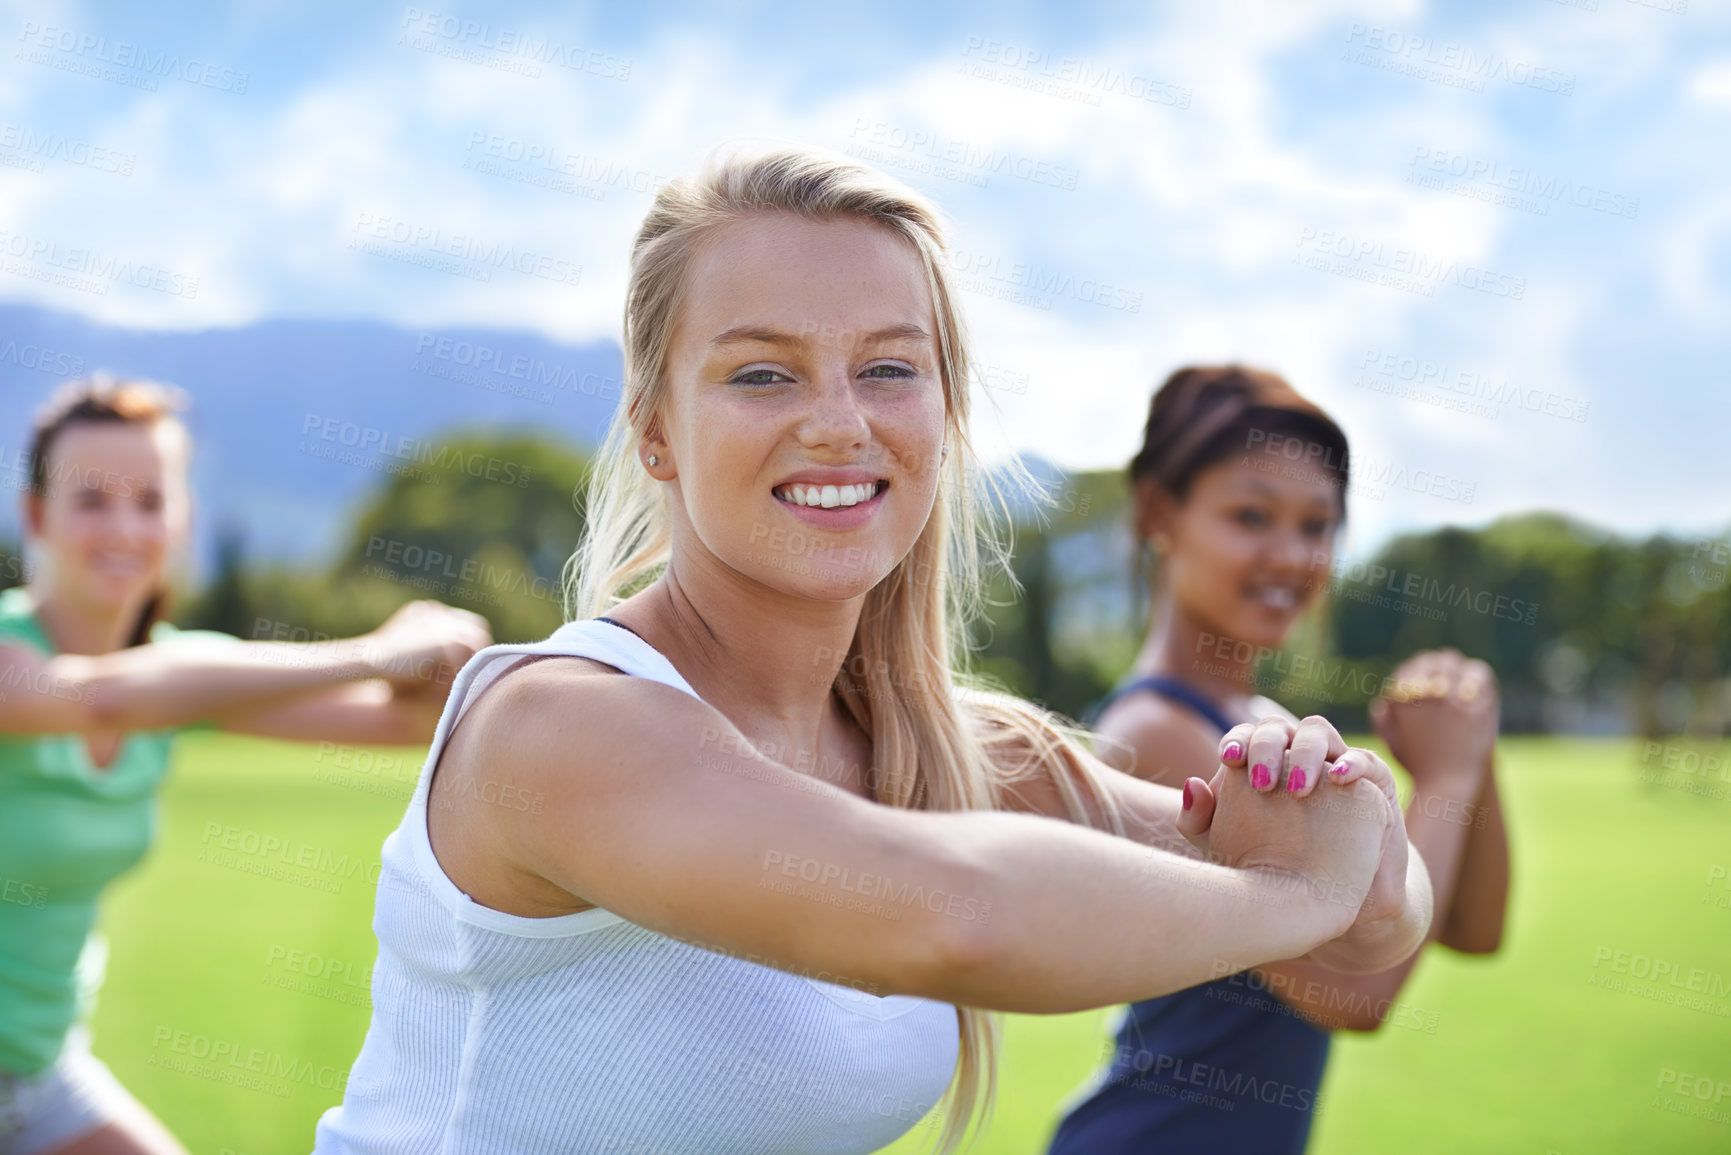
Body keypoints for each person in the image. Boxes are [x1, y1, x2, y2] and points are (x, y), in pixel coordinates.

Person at [312, 144, 1434, 1155]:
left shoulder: (952, 756)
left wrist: (1348, 843)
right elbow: (961, 919)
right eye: (763, 372)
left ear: (944, 414)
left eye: (891, 368)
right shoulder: (561, 726)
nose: (841, 422)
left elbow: (1387, 911)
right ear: (655, 426)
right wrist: (1305, 895)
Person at [0, 377, 492, 1155]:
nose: (124, 526)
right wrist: (373, 650)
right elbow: (95, 700)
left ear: (182, 518)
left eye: (150, 500)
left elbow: (411, 725)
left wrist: (439, 655)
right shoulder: (15, 659)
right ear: (37, 517)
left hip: (42, 1075)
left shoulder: (181, 677)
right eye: (91, 499)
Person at [1047, 365, 1510, 1155]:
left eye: (1316, 525)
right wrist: (1445, 777)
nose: (1291, 555)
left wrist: (1472, 748)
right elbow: (1353, 993)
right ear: (1160, 513)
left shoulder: (1266, 725)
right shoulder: (1155, 733)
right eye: (1250, 514)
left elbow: (1469, 926)